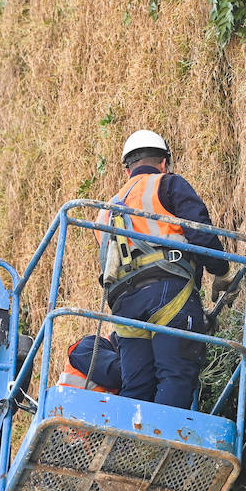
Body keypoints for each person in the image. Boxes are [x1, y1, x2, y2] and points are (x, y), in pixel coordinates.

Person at [97, 129, 229, 408]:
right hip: (168, 291)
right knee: (176, 376)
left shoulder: (104, 210)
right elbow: (200, 233)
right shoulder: (167, 185)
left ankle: (130, 448)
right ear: (164, 163)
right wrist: (221, 271)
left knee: (137, 384)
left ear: (127, 170)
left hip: (124, 304)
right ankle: (165, 449)